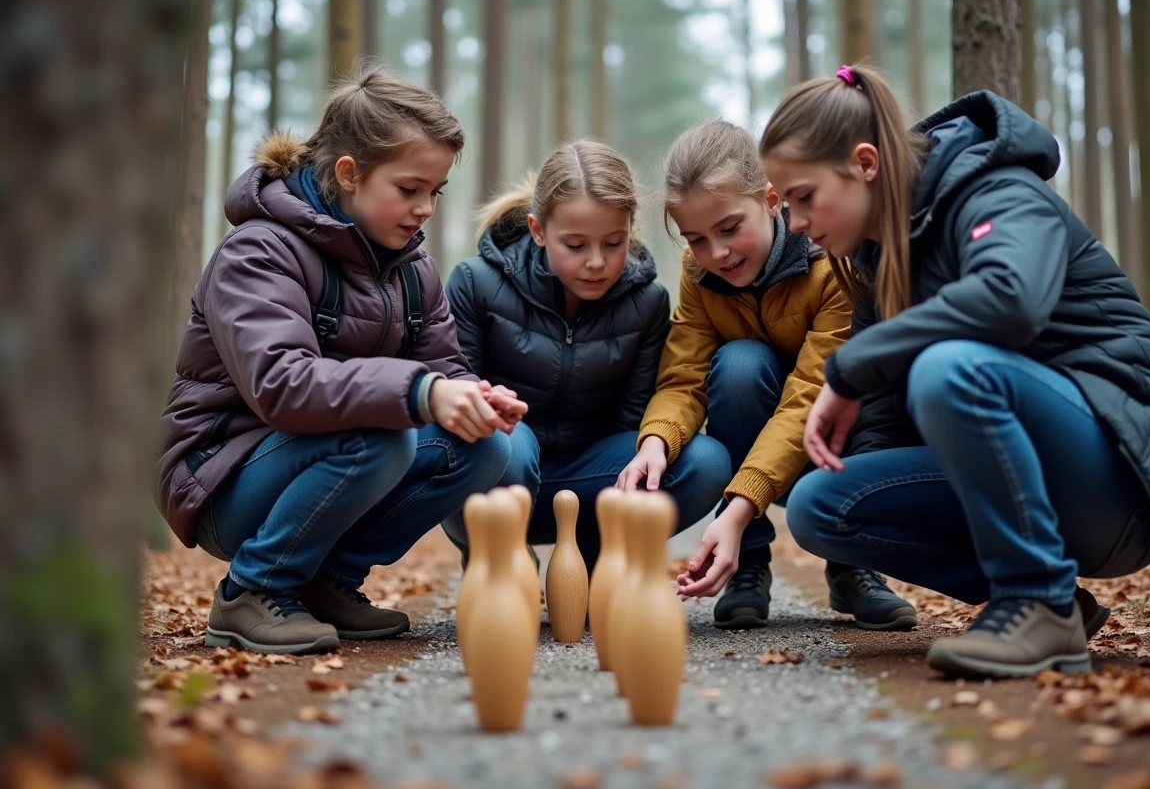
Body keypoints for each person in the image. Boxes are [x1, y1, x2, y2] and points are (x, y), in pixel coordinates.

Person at [772, 64, 1150, 678]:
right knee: (821, 504)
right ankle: (1052, 606)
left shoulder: (996, 189)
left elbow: (1011, 299)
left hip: (1130, 470)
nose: (796, 224)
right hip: (1039, 475)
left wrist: (851, 368)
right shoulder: (881, 260)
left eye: (804, 197)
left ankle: (1037, 598)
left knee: (950, 368)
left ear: (865, 163)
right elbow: (884, 422)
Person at [156, 66, 523, 655]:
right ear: (349, 174)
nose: (425, 208)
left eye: (436, 191)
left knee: (481, 445)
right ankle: (252, 590)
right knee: (379, 437)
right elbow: (282, 386)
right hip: (226, 475)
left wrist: (473, 395)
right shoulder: (259, 251)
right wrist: (420, 392)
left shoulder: (409, 267)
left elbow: (443, 366)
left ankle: (327, 582)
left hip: (322, 458)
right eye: (409, 189)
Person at [618, 120, 917, 630]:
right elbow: (683, 377)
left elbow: (809, 395)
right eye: (696, 238)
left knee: (855, 397)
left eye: (730, 228)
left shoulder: (832, 267)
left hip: (841, 437)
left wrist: (737, 504)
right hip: (758, 428)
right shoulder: (701, 275)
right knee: (739, 365)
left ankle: (851, 565)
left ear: (773, 200)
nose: (718, 254)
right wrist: (655, 443)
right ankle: (747, 566)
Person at [443, 139, 731, 567]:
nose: (596, 262)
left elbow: (630, 423)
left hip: (591, 480)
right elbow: (460, 399)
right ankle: (499, 555)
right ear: (538, 230)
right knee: (510, 443)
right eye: (575, 246)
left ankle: (606, 553)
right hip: (497, 478)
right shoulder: (475, 283)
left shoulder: (648, 302)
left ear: (630, 229)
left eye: (613, 243)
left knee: (706, 461)